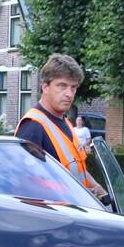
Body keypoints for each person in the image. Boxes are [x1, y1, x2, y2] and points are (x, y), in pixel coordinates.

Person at [15, 54, 107, 198]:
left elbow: (76, 168)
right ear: (45, 87)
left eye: (73, 87)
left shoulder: (65, 122)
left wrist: (96, 187)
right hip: (55, 215)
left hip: (75, 209)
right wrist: (71, 192)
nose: (69, 94)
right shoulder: (33, 126)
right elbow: (25, 183)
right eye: (62, 86)